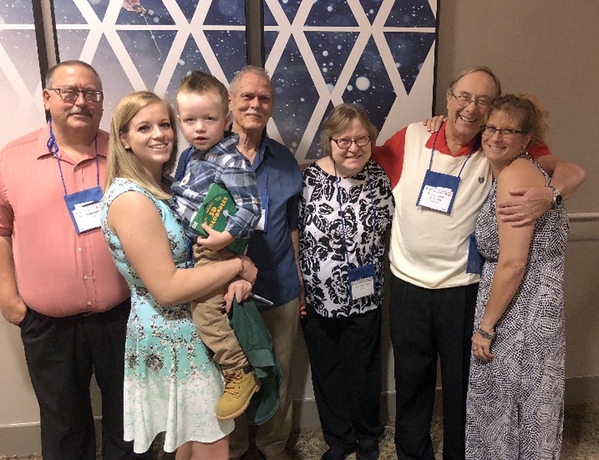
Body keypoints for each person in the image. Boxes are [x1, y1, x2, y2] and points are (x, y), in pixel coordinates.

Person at [372, 66, 585, 460]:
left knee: (463, 390)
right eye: (464, 97)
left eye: (483, 101)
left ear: (492, 111)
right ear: (449, 98)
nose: (471, 108)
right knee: (411, 384)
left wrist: (551, 194)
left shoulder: (499, 150)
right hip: (408, 287)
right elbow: (358, 154)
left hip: (463, 290)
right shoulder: (413, 136)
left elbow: (572, 171)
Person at [0, 60, 152, 460]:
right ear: (48, 99)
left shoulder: (126, 154)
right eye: (69, 92)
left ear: (102, 104)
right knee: (63, 423)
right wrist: (7, 296)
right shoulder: (10, 159)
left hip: (122, 315)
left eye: (92, 94)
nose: (80, 101)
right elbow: (0, 229)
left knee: (130, 416)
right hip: (46, 323)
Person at [101, 90, 258, 458]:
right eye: (144, 127)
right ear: (123, 138)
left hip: (190, 331)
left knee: (189, 443)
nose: (159, 134)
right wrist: (237, 266)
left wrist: (230, 261)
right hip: (172, 334)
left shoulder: (168, 186)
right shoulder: (132, 200)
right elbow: (168, 288)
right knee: (212, 443)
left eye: (164, 124)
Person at [466, 94, 568, 459]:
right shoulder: (529, 170)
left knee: (504, 403)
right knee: (531, 400)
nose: (495, 137)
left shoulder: (515, 175)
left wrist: (486, 325)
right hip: (537, 305)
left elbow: (513, 262)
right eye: (490, 127)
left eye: (508, 131)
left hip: (517, 312)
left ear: (527, 140)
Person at [298, 104, 394, 460]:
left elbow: (389, 227)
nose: (353, 147)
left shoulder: (379, 177)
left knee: (364, 370)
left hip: (364, 297)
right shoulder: (308, 179)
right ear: (330, 141)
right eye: (344, 140)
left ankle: (368, 433)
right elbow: (294, 232)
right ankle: (339, 439)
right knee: (327, 371)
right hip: (317, 296)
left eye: (361, 139)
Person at [223, 65, 304, 460]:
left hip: (280, 288)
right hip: (221, 293)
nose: (255, 104)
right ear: (231, 102)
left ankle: (273, 447)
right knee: (233, 375)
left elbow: (292, 228)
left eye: (264, 98)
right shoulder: (203, 158)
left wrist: (300, 280)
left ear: (271, 107)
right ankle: (235, 447)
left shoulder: (284, 161)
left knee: (280, 373)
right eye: (247, 97)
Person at [170, 70, 262, 421]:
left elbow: (252, 207)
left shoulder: (231, 159)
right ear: (180, 122)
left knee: (206, 312)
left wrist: (227, 237)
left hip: (218, 249)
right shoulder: (192, 158)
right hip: (196, 248)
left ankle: (239, 371)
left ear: (226, 120)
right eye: (191, 120)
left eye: (209, 119)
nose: (199, 128)